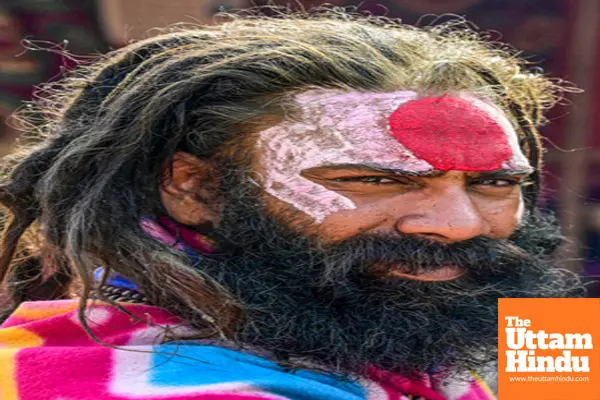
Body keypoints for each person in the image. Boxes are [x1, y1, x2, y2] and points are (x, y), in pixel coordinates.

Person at [0, 10, 584, 400]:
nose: (458, 226)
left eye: (492, 184)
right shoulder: (156, 383)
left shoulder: (402, 318)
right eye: (377, 181)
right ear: (196, 189)